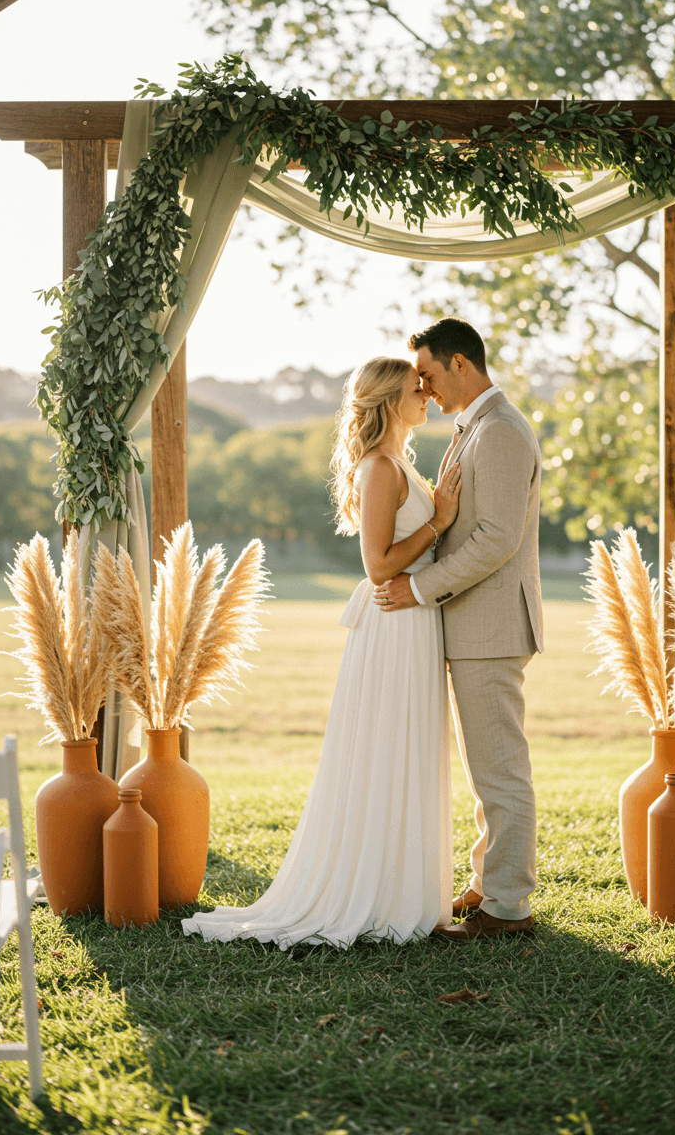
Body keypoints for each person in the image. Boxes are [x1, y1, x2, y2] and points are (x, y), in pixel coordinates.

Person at [182, 356, 461, 949]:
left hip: (415, 622)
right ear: (389, 400)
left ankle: (403, 892)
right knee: (387, 749)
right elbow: (380, 565)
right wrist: (438, 523)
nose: (427, 397)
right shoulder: (380, 468)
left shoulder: (400, 462)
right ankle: (374, 896)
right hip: (394, 623)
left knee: (409, 749)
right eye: (417, 389)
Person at [373, 318, 543, 941]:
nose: (424, 386)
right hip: (474, 624)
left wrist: (418, 587)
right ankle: (487, 881)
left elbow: (496, 538)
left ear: (461, 365)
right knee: (485, 767)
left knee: (500, 769)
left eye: (429, 373)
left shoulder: (499, 431)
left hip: (491, 625)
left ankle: (508, 908)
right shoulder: (476, 427)